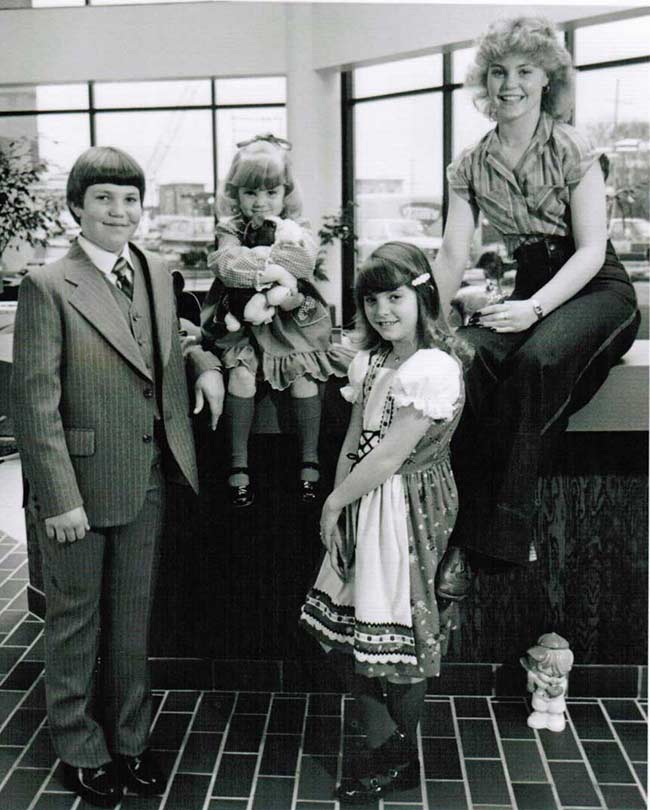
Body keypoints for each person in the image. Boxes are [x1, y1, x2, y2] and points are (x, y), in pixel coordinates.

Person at [11, 146, 224, 808]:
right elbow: (34, 405)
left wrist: (208, 366)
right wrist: (59, 498)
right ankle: (79, 744)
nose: (119, 211)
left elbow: (176, 344)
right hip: (78, 485)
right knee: (75, 622)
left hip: (148, 477)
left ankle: (131, 740)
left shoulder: (160, 271)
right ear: (77, 206)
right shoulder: (47, 285)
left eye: (130, 199)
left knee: (133, 621)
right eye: (104, 198)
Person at [432, 16, 640, 600]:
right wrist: (424, 326)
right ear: (483, 81)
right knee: (464, 359)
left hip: (596, 287)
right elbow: (453, 250)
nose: (509, 84)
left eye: (525, 71)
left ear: (548, 79)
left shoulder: (573, 146)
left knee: (537, 363)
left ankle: (486, 542)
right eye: (498, 72)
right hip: (532, 287)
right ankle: (471, 528)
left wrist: (535, 310)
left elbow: (592, 249)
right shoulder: (470, 164)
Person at [300, 242, 468, 803]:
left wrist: (334, 502)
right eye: (371, 299)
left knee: (395, 637)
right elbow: (355, 439)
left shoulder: (434, 367)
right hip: (362, 495)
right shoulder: (369, 362)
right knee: (343, 635)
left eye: (395, 296)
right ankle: (390, 747)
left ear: (422, 296)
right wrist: (340, 500)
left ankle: (394, 754)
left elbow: (394, 455)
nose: (382, 311)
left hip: (408, 504)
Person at [203, 133, 350, 507]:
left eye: (270, 193)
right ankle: (238, 465)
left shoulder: (297, 229)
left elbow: (302, 263)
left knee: (302, 376)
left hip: (290, 320)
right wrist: (274, 269)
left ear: (285, 193)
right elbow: (226, 264)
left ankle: (310, 462)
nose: (260, 202)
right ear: (235, 194)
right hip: (243, 321)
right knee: (239, 373)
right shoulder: (229, 229)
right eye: (250, 193)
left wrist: (269, 270)